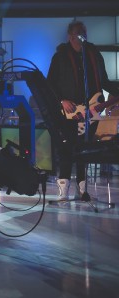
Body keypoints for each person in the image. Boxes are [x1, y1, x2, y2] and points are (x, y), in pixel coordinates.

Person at [47, 20, 119, 201]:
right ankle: (63, 191)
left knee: (83, 149)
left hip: (91, 111)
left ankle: (82, 190)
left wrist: (115, 93)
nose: (81, 37)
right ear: (70, 36)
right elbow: (50, 84)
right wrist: (62, 100)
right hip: (68, 112)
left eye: (83, 33)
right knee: (67, 148)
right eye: (78, 33)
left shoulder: (94, 54)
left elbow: (104, 81)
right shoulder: (60, 56)